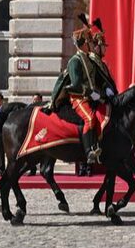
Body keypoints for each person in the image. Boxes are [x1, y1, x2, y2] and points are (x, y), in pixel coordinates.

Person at [51, 15, 103, 164]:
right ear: (83, 44)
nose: (91, 44)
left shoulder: (88, 59)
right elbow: (76, 85)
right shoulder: (75, 61)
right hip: (79, 98)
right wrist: (91, 93)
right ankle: (89, 152)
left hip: (92, 96)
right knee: (90, 119)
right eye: (88, 42)